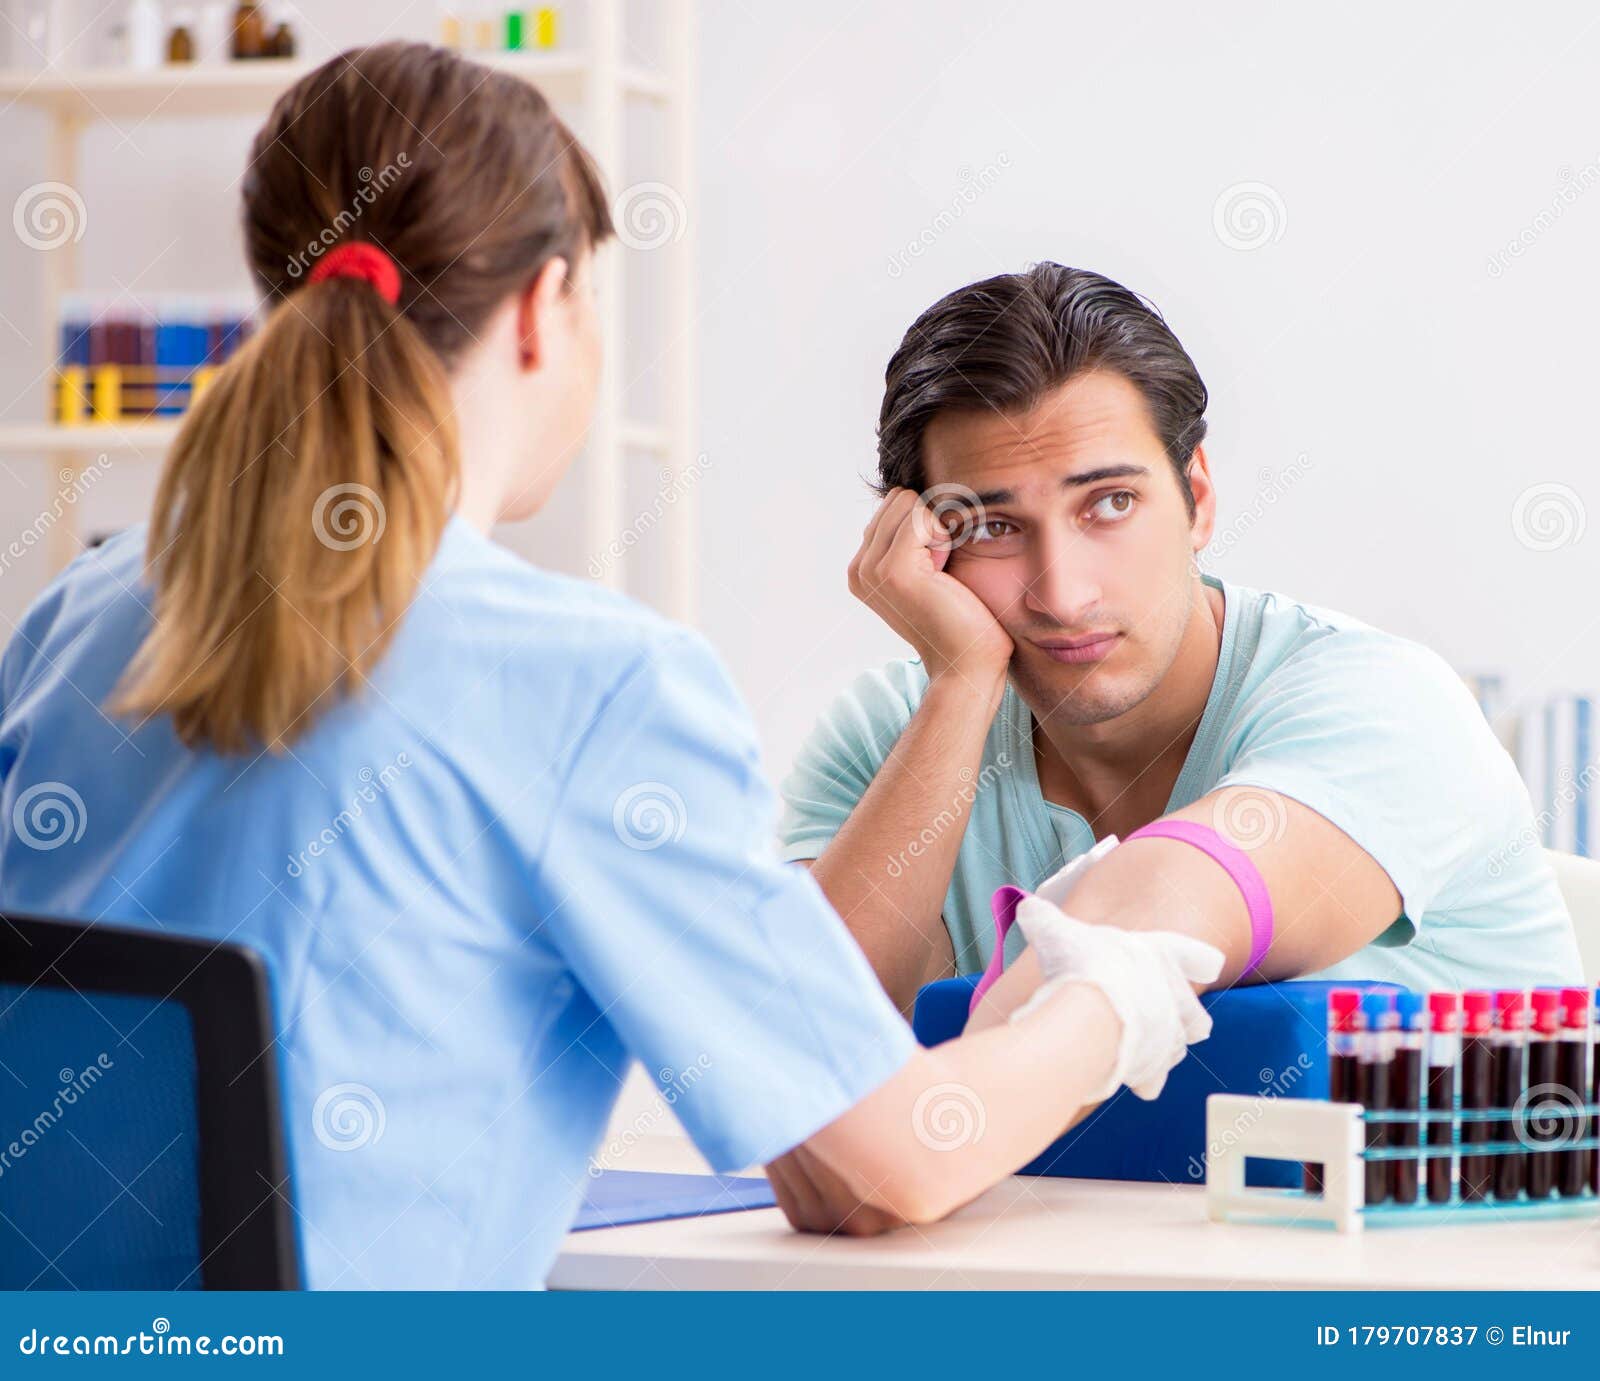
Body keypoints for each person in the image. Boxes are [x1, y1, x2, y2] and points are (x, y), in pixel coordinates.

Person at [0, 47, 1215, 1290]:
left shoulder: (72, 618)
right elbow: (892, 1163)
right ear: (546, 306)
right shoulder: (588, 682)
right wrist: (1109, 995)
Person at [781, 263, 1583, 1020]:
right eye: (993, 526)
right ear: (919, 543)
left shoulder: (1384, 703)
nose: (1063, 592)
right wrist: (960, 686)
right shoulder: (890, 739)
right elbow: (806, 1046)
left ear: (1195, 498)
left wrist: (951, 1114)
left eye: (1111, 504)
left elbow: (1158, 915)